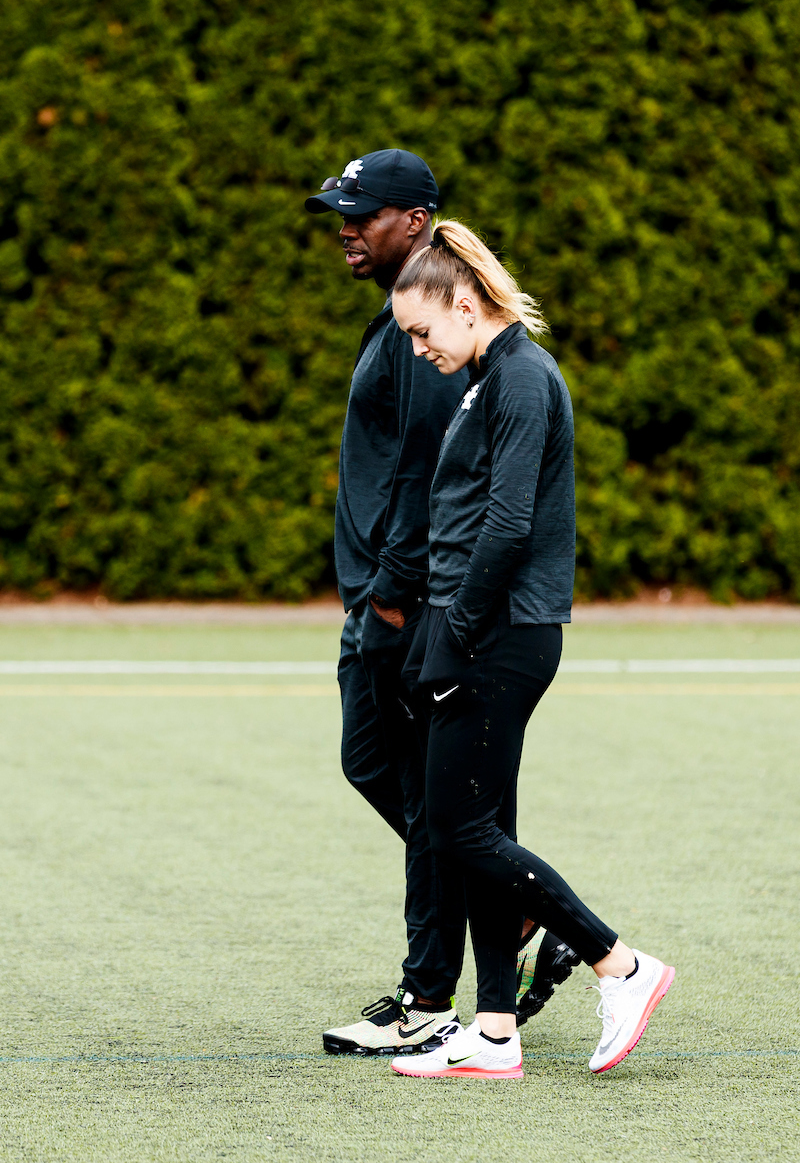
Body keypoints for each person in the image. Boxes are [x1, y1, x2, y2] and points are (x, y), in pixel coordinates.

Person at [304, 152, 579, 1056]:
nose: (347, 228)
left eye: (363, 214)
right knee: (402, 782)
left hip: (413, 601)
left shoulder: (440, 342)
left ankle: (436, 991)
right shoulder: (400, 324)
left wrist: (394, 595)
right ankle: (508, 914)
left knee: (439, 804)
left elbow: (437, 480)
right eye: (341, 214)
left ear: (416, 221)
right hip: (387, 597)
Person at [388, 220, 675, 1078]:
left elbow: (508, 524)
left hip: (501, 634)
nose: (419, 349)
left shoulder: (520, 377)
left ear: (462, 302)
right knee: (481, 829)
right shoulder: (488, 377)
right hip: (478, 626)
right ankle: (494, 1031)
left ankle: (620, 965)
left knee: (458, 829)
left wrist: (453, 635)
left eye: (422, 331)